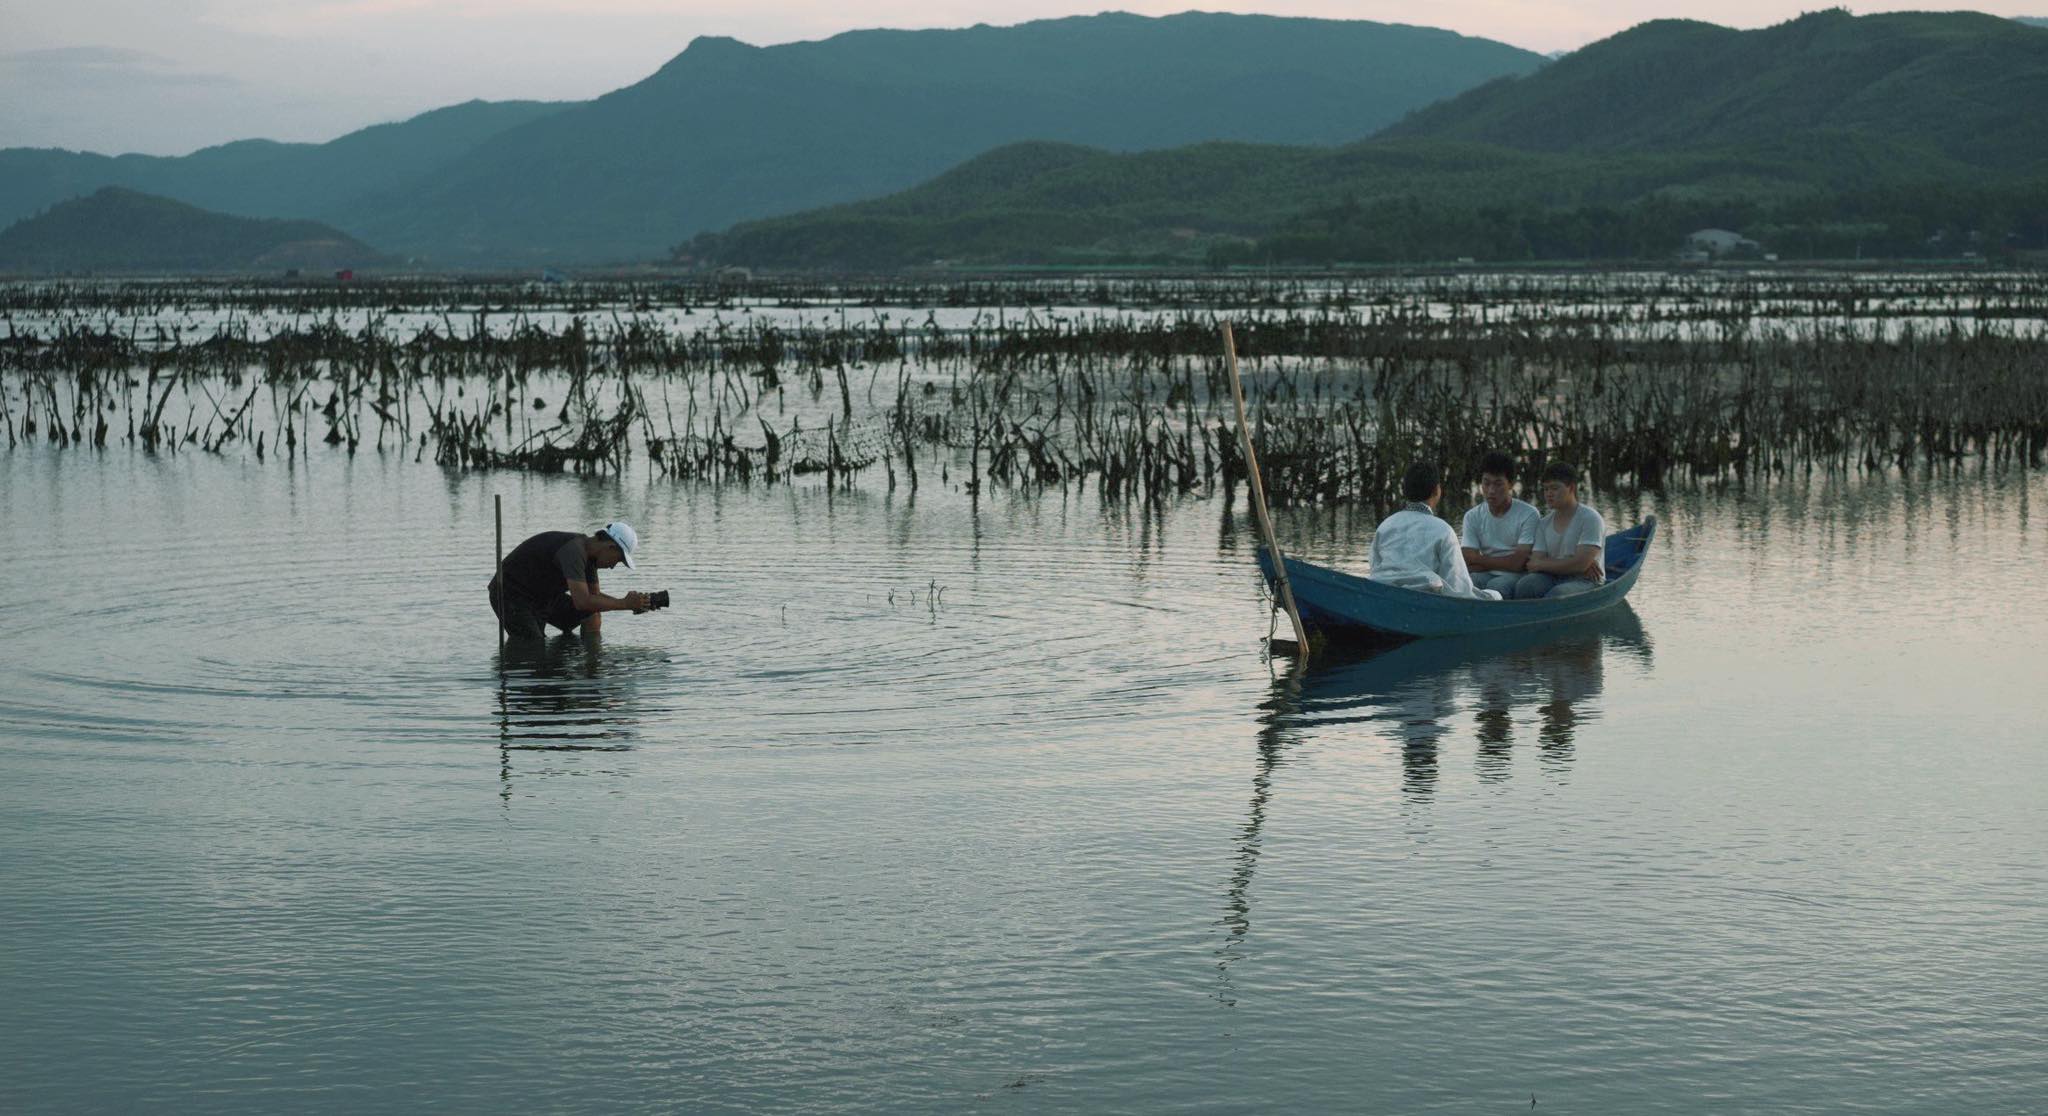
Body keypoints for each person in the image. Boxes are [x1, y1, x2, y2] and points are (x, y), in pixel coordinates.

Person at [490, 521, 650, 640]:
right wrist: (625, 603)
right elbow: (583, 602)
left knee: (590, 612)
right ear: (610, 548)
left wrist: (594, 660)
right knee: (534, 647)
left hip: (542, 596)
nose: (613, 566)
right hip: (511, 594)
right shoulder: (574, 551)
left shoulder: (590, 558)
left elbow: (594, 603)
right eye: (618, 560)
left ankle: (582, 657)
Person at [1368, 462, 1501, 601]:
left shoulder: (1385, 525)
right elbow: (1459, 588)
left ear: (1404, 491)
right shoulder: (1443, 530)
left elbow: (1375, 567)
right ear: (1437, 491)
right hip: (1425, 600)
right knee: (1495, 596)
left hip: (1384, 596)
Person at [1513, 463, 1607, 599]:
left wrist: (1578, 564)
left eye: (1555, 488)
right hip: (1552, 576)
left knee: (1559, 594)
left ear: (1571, 488)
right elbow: (1535, 563)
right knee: (1525, 585)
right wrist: (1573, 562)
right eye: (1545, 489)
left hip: (1585, 580)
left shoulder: (1590, 518)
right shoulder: (1543, 523)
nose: (1549, 494)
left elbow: (1581, 565)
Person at [1460, 451, 1541, 599]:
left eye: (1498, 484)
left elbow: (1518, 564)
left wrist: (1478, 560)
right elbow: (1467, 558)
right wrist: (1503, 562)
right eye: (1486, 483)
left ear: (1511, 484)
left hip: (1516, 575)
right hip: (1484, 573)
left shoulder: (1528, 514)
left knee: (1496, 587)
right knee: (1463, 583)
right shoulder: (1472, 516)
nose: (1491, 491)